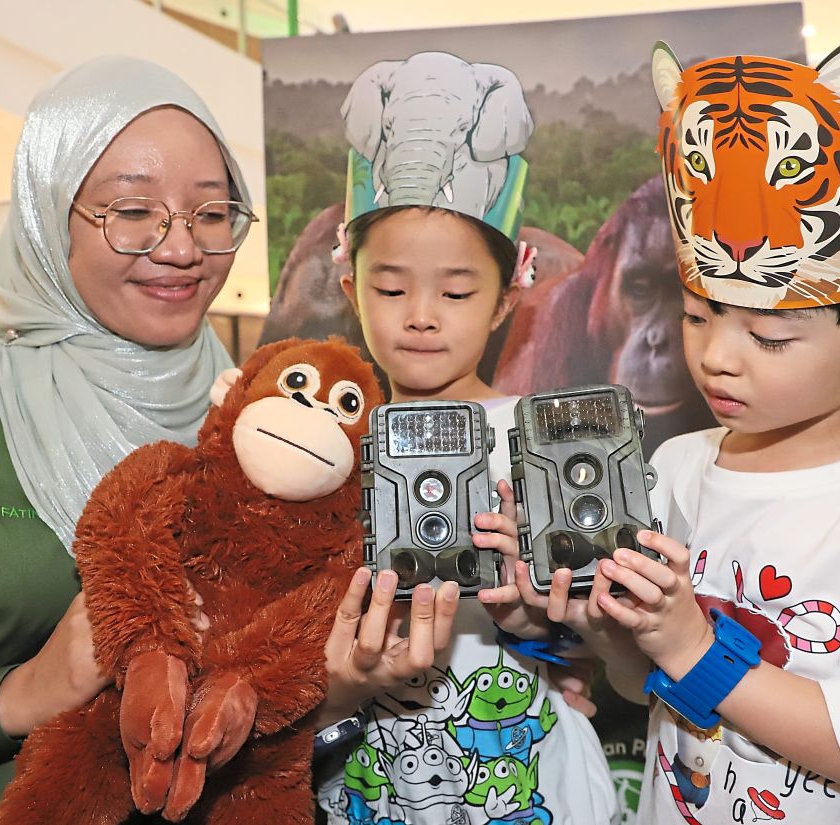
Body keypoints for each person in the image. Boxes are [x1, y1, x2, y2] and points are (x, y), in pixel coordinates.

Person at [500, 35, 840, 825]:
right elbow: (639, 681)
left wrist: (695, 651)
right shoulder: (678, 467)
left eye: (770, 338)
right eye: (698, 316)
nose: (718, 358)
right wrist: (592, 621)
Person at [0, 56, 260, 824]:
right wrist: (16, 695)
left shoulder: (262, 424)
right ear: (46, 217)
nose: (181, 250)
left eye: (211, 213)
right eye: (132, 211)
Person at [311, 50, 618, 825]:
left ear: (509, 295)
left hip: (525, 765)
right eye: (390, 287)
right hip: (373, 769)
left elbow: (602, 641)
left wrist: (539, 617)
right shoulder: (321, 441)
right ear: (351, 286)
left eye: (455, 290)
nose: (421, 313)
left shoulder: (541, 437)